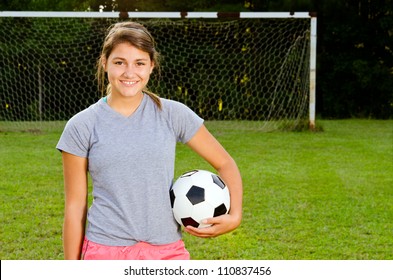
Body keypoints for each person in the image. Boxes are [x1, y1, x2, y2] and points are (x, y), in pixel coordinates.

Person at [56, 21, 243, 260]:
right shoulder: (81, 126)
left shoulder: (173, 114)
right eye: (119, 62)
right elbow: (75, 207)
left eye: (139, 63)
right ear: (105, 63)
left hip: (166, 251)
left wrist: (235, 215)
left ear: (151, 66)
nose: (129, 72)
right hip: (104, 251)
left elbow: (225, 163)